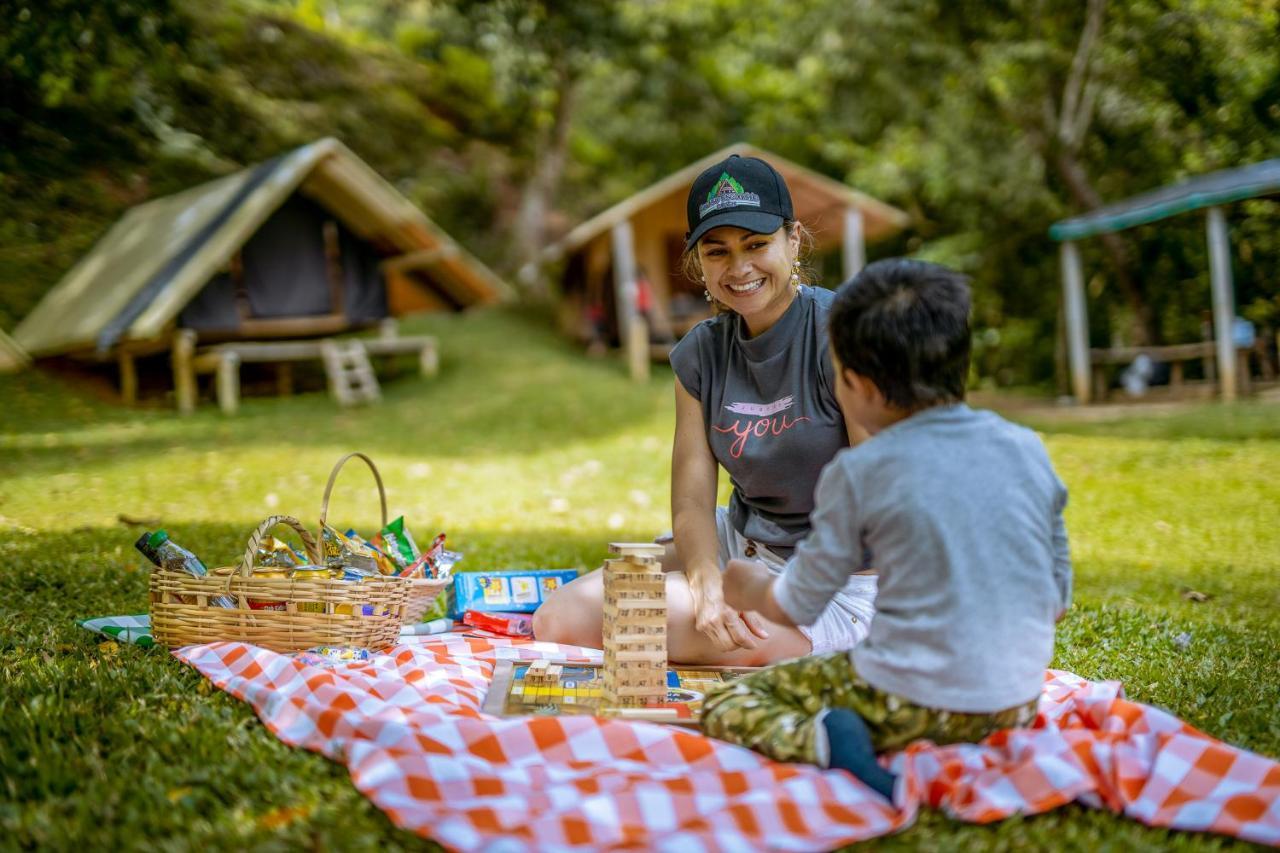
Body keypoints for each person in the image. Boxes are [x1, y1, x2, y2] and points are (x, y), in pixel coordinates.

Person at [699, 259, 1072, 801]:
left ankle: (835, 745)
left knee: (729, 703)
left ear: (857, 383)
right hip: (1013, 702)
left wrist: (746, 587)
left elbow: (799, 603)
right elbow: (1056, 599)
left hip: (906, 696)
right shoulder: (1026, 449)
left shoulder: (861, 472)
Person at [533, 154, 878, 665]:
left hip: (835, 581)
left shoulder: (847, 337)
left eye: (757, 245)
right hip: (741, 539)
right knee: (558, 617)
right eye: (718, 252)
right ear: (698, 262)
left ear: (795, 239)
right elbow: (692, 501)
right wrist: (704, 581)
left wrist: (756, 592)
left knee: (610, 620)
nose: (739, 268)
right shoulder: (700, 353)